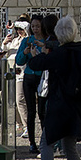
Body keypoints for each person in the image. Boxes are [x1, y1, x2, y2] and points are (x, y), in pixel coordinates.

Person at [27, 16, 81, 160]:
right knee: (69, 146)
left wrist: (36, 54)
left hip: (60, 105)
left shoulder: (58, 54)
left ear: (58, 34)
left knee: (46, 142)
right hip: (79, 105)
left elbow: (36, 64)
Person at [16, 17, 47, 152]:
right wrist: (25, 52)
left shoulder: (46, 42)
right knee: (30, 111)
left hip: (41, 77)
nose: (35, 29)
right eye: (33, 26)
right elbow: (19, 60)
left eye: (38, 26)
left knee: (42, 111)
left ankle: (45, 140)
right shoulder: (26, 41)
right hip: (29, 77)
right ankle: (32, 142)